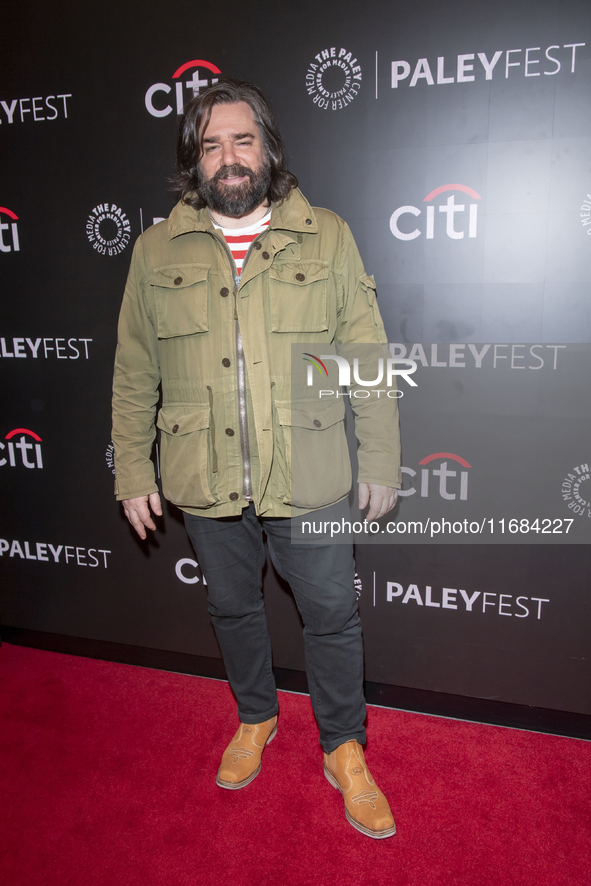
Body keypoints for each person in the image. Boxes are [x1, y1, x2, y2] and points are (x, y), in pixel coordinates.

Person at [112, 79, 401, 839]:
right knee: (233, 609)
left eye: (242, 140)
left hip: (304, 474)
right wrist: (134, 472)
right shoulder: (154, 250)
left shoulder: (327, 236)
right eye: (211, 144)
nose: (228, 157)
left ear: (267, 148)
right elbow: (135, 369)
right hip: (203, 477)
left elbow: (363, 357)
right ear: (193, 161)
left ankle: (342, 747)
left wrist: (378, 458)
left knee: (333, 616)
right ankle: (254, 718)